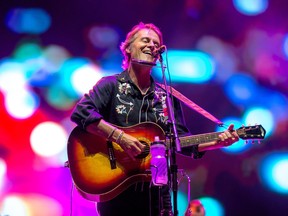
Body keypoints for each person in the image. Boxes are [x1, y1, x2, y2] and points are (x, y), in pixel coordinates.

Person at [70, 22, 239, 216]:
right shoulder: (110, 86)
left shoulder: (167, 95)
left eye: (156, 43)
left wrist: (217, 142)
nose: (151, 45)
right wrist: (120, 137)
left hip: (157, 193)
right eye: (145, 40)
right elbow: (81, 112)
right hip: (116, 192)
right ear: (128, 48)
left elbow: (181, 140)